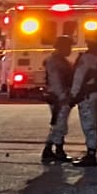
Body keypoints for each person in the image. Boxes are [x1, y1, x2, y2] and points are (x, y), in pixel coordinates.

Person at [68, 26, 97, 168]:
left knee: (89, 125)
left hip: (88, 96)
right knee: (96, 124)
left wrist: (73, 96)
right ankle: (92, 152)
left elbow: (79, 78)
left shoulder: (87, 58)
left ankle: (90, 155)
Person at [41, 32, 76, 164]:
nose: (70, 49)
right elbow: (56, 82)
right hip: (58, 98)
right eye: (68, 46)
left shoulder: (59, 60)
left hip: (59, 96)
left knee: (59, 124)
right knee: (59, 125)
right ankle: (54, 151)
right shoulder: (55, 62)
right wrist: (63, 97)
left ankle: (52, 150)